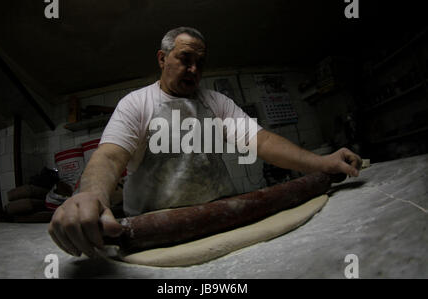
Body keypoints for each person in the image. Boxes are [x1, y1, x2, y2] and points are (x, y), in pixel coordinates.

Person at [48, 27, 362, 258]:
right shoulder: (136, 103)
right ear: (162, 58)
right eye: (185, 59)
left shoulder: (216, 102)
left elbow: (261, 141)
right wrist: (89, 195)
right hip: (152, 232)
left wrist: (323, 163)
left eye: (200, 63)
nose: (194, 70)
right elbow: (110, 157)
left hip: (222, 217)